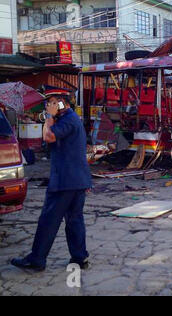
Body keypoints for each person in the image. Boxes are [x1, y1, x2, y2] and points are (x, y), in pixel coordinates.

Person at [11, 95, 92, 272]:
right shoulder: (67, 119)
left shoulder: (68, 120)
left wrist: (49, 116)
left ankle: (37, 259)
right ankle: (79, 257)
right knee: (74, 220)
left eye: (54, 102)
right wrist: (51, 116)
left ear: (64, 103)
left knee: (49, 220)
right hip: (75, 179)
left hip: (65, 180)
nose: (49, 106)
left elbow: (48, 137)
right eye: (48, 103)